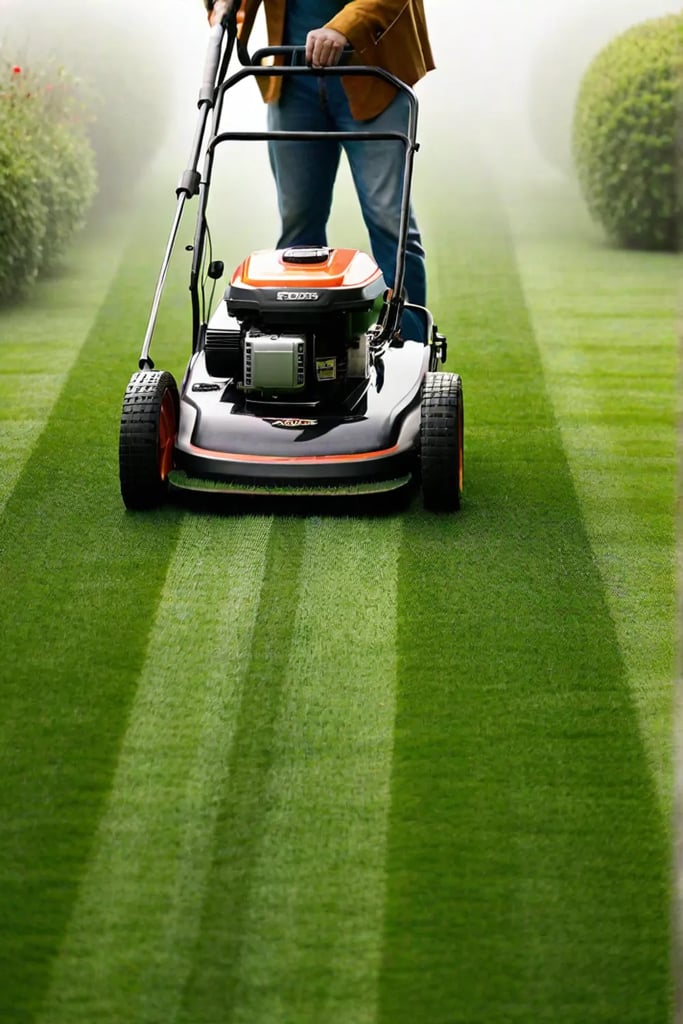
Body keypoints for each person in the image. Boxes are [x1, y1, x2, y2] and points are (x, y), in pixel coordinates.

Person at [205, 0, 434, 330]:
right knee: (298, 219)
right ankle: (299, 338)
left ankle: (409, 343)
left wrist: (342, 27)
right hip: (293, 78)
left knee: (389, 219)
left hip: (373, 73)